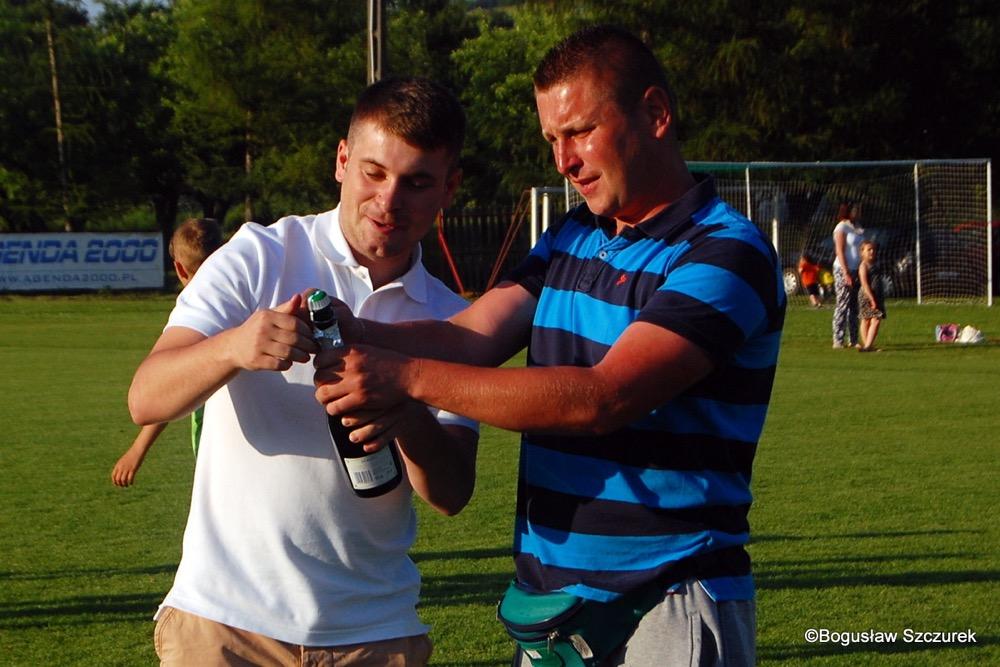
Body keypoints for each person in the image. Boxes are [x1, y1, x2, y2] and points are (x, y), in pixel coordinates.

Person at [314, 25, 785, 666]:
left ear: (655, 114)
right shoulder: (571, 235)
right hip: (553, 614)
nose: (564, 161)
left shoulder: (726, 253)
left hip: (667, 604)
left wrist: (403, 376)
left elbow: (602, 399)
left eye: (580, 132)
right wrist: (359, 329)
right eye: (552, 140)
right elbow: (470, 337)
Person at [127, 77, 478, 665]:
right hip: (226, 625)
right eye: (373, 172)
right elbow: (146, 396)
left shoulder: (451, 318)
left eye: (417, 183)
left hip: (373, 630)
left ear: (450, 187)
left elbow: (450, 493)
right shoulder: (261, 253)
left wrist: (405, 406)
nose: (389, 201)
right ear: (342, 161)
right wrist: (233, 347)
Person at [111, 218, 223, 487]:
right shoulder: (253, 292)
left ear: (179, 269)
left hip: (217, 442)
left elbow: (170, 388)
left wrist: (137, 450)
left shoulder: (196, 317)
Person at [831, 202, 864, 348]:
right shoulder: (841, 227)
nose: (857, 212)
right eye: (855, 210)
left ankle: (854, 339)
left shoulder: (857, 227)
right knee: (843, 304)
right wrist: (845, 272)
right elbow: (840, 250)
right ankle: (838, 339)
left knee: (854, 306)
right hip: (843, 269)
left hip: (857, 269)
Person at [857, 240, 886, 351]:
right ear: (862, 252)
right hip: (867, 296)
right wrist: (871, 298)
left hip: (877, 295)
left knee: (871, 320)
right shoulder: (863, 266)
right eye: (868, 250)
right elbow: (864, 284)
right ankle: (868, 345)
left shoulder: (875, 263)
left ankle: (868, 346)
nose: (872, 252)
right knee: (872, 319)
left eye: (873, 249)